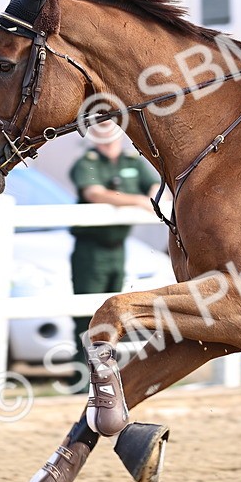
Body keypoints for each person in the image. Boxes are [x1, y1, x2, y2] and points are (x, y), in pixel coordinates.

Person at [68, 120, 160, 363]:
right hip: (91, 251)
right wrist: (137, 201)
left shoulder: (131, 161)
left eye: (112, 138)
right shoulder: (88, 163)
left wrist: (149, 197)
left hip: (118, 248)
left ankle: (107, 368)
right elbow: (94, 193)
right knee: (86, 314)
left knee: (113, 311)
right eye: (104, 139)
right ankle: (83, 372)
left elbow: (154, 184)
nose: (109, 144)